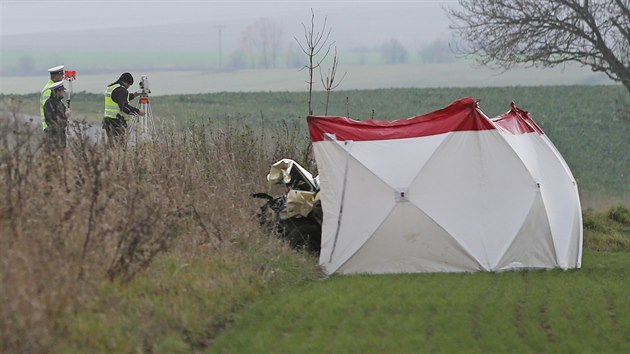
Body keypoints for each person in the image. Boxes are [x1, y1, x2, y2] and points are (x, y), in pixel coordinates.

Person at [103, 72, 145, 146]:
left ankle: (109, 157)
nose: (128, 87)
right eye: (128, 85)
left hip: (108, 120)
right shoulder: (122, 90)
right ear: (126, 83)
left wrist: (135, 95)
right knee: (119, 145)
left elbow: (118, 99)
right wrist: (138, 111)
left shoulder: (111, 87)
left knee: (111, 144)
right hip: (116, 122)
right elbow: (124, 107)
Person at [43, 81, 71, 149]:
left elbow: (63, 121)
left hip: (61, 136)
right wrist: (65, 116)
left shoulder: (60, 104)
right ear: (57, 92)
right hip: (53, 136)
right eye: (62, 91)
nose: (63, 93)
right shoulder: (49, 104)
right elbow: (54, 122)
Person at [40, 65, 65, 131]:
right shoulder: (49, 89)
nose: (63, 76)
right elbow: (49, 109)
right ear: (55, 76)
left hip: (56, 126)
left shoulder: (54, 88)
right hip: (50, 128)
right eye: (61, 74)